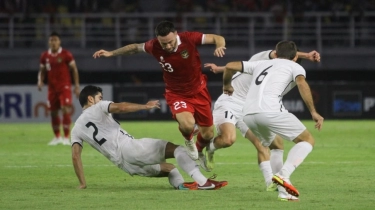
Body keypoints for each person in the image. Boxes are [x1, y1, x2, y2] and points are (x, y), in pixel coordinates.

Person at [92, 20, 226, 163]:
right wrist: (111, 53)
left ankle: (199, 150)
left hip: (199, 90)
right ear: (158, 39)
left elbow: (217, 38)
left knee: (208, 134)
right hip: (176, 93)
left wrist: (220, 46)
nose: (167, 46)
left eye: (170, 42)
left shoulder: (189, 38)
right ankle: (188, 140)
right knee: (187, 124)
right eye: (164, 43)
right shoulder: (154, 45)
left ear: (175, 34)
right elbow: (134, 48)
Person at [204, 48, 320, 201]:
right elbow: (283, 57)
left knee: (271, 145)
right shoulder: (262, 59)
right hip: (231, 102)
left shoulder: (265, 65)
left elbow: (233, 66)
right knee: (228, 139)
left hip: (248, 108)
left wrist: (219, 69)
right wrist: (305, 55)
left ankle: (274, 184)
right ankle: (209, 149)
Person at [71, 85, 228, 190]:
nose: (101, 99)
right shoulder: (98, 107)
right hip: (129, 148)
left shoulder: (76, 128)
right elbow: (122, 107)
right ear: (90, 99)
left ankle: (182, 186)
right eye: (99, 97)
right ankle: (203, 182)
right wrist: (145, 106)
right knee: (177, 149)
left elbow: (75, 156)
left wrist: (82, 183)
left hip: (125, 166)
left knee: (170, 169)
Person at [38, 32, 80, 146]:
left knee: (65, 109)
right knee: (53, 112)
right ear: (49, 42)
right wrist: (40, 81)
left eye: (55, 40)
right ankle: (57, 137)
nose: (53, 42)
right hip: (52, 88)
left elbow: (74, 69)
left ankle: (66, 137)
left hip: (64, 86)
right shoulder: (45, 56)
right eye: (51, 40)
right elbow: (42, 71)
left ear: (59, 41)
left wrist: (76, 86)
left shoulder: (66, 54)